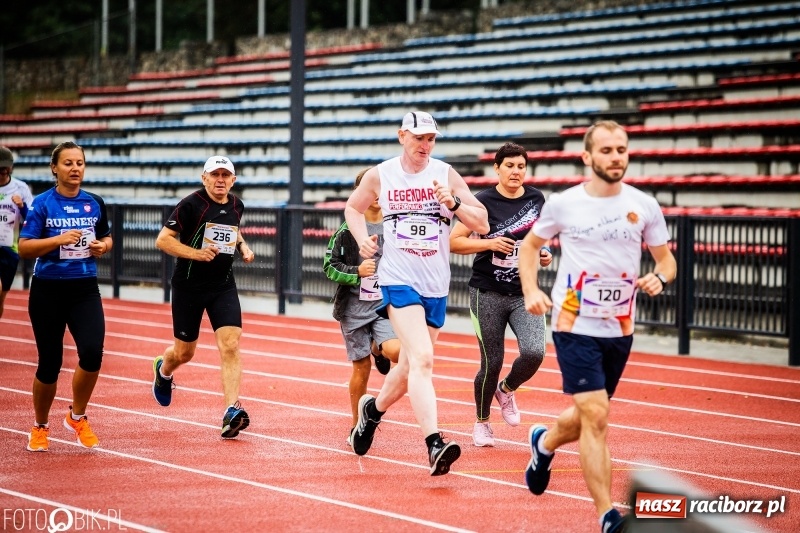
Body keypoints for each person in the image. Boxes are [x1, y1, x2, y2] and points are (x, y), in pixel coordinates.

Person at [518, 120, 677, 532]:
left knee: (588, 414)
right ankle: (608, 515)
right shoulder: (563, 203)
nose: (616, 157)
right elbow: (530, 246)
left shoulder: (644, 205)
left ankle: (544, 443)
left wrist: (660, 277)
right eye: (606, 150)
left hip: (620, 327)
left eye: (621, 149)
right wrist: (532, 289)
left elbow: (666, 260)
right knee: (597, 414)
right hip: (573, 321)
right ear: (587, 157)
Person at [345, 110, 489, 476]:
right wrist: (363, 239)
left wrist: (454, 204)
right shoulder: (383, 174)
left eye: (431, 139)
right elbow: (353, 207)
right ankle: (434, 444)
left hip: (436, 284)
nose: (425, 145)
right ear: (401, 136)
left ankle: (372, 412)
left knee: (409, 366)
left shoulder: (445, 174)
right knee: (423, 359)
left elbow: (483, 223)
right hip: (398, 279)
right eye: (418, 137)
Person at [449, 142, 553, 447]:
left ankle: (506, 389)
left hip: (525, 291)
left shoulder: (536, 199)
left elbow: (541, 241)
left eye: (521, 166)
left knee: (535, 352)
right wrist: (489, 244)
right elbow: (454, 242)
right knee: (491, 361)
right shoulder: (481, 202)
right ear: (497, 168)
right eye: (510, 166)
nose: (516, 172)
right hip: (487, 292)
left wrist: (544, 254)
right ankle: (482, 423)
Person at [151, 155, 256, 439]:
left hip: (222, 284)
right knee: (185, 352)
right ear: (204, 178)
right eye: (215, 175)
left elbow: (232, 232)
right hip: (189, 286)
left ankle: (231, 410)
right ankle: (164, 370)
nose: (220, 180)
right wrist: (197, 254)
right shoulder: (190, 205)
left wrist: (243, 247)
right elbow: (163, 240)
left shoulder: (237, 204)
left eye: (226, 175)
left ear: (233, 180)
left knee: (231, 345)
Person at [19, 141, 113, 452]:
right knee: (50, 363)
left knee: (92, 352)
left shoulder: (94, 202)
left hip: (84, 287)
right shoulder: (42, 204)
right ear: (54, 168)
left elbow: (106, 237)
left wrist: (103, 246)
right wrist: (59, 239)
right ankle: (40, 425)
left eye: (80, 163)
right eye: (69, 163)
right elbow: (25, 247)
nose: (75, 169)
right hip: (48, 289)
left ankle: (77, 416)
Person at [323, 167, 401, 444]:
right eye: (371, 188)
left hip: (384, 306)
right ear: (360, 194)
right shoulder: (347, 232)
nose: (377, 194)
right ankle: (357, 424)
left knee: (398, 353)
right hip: (354, 309)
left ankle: (378, 346)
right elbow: (329, 267)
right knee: (361, 368)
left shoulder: (394, 225)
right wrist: (357, 271)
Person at [0, 146, 33, 319]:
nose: (2, 171)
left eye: (5, 168)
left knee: (1, 297)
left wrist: (22, 206)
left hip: (9, 250)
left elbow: (33, 220)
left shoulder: (21, 188)